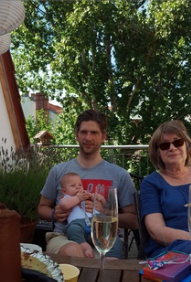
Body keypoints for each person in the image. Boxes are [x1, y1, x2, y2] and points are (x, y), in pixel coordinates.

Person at [38, 109, 137, 259]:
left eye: (94, 133)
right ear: (76, 135)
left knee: (109, 265)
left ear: (104, 137)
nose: (88, 138)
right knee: (73, 252)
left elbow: (133, 220)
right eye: (83, 132)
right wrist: (54, 214)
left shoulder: (119, 175)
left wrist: (104, 212)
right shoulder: (59, 171)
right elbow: (42, 208)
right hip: (65, 238)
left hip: (105, 237)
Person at [139, 120, 191, 259]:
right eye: (165, 145)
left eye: (177, 142)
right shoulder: (151, 183)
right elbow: (156, 231)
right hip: (170, 249)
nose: (172, 148)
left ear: (187, 145)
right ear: (158, 152)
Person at [57, 172, 106, 258]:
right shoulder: (67, 198)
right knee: (73, 230)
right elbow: (64, 205)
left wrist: (96, 197)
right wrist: (78, 198)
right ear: (64, 191)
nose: (78, 187)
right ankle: (86, 247)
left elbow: (104, 203)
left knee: (105, 225)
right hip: (78, 223)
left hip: (95, 220)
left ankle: (105, 244)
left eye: (80, 185)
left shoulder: (86, 196)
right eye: (73, 186)